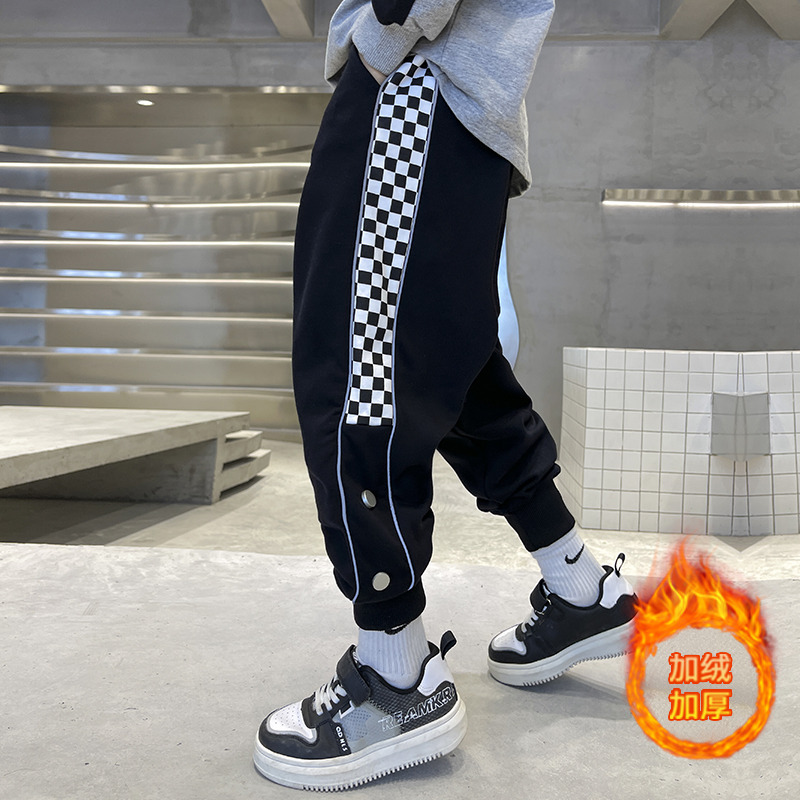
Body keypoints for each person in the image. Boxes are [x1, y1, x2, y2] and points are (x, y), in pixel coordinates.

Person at [253, 1, 637, 790]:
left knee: (356, 372)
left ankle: (396, 678)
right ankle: (581, 588)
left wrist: (379, 35)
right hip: (454, 102)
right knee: (452, 369)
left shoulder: (401, 58)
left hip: (413, 81)